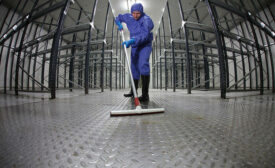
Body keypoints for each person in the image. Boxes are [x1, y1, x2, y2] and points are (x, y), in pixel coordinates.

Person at [115, 3, 154, 102]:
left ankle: (145, 95)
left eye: (137, 13)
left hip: (144, 45)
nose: (135, 15)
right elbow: (118, 17)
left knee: (143, 65)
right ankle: (133, 91)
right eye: (133, 13)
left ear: (141, 12)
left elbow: (145, 36)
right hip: (135, 46)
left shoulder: (146, 20)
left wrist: (131, 41)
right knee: (134, 67)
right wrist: (119, 24)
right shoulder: (129, 17)